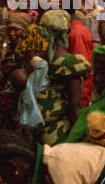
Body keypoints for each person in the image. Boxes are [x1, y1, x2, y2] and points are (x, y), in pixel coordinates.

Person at [17, 10, 90, 146]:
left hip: (36, 131)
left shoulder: (35, 61)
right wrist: (80, 138)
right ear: (67, 32)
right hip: (59, 134)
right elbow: (75, 106)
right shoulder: (70, 63)